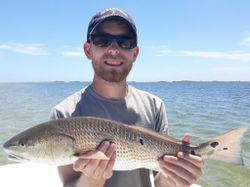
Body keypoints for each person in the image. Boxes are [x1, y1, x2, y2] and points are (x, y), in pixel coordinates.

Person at [50, 8, 203, 187]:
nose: (114, 49)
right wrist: (92, 179)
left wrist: (175, 178)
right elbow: (69, 184)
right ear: (88, 49)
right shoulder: (64, 114)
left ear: (135, 53)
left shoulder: (154, 106)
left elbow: (160, 181)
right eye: (102, 40)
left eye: (125, 41)